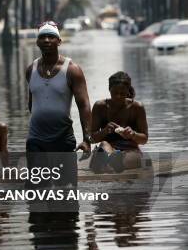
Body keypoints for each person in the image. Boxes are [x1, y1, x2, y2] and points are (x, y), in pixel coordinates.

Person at [26, 21, 92, 188]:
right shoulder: (30, 70)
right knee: (37, 191)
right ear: (37, 42)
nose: (47, 40)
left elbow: (84, 105)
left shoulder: (72, 70)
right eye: (43, 37)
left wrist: (87, 139)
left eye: (51, 37)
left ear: (59, 41)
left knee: (67, 191)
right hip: (36, 140)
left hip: (63, 138)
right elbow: (31, 102)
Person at [90, 71, 148, 173]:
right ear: (109, 90)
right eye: (115, 93)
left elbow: (144, 139)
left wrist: (132, 135)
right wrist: (105, 131)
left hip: (130, 149)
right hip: (109, 146)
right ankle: (109, 161)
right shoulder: (100, 107)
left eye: (122, 93)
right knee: (104, 144)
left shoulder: (137, 107)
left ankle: (108, 163)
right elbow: (92, 139)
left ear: (128, 92)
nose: (118, 96)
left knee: (131, 157)